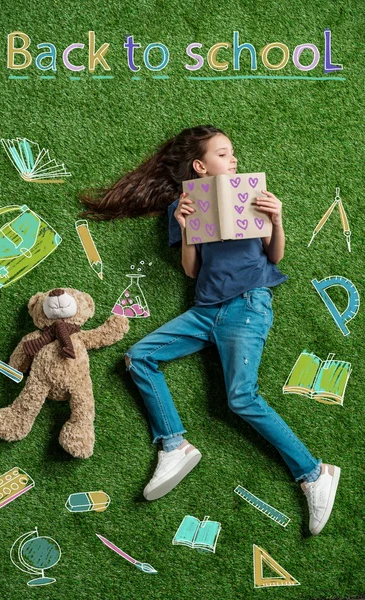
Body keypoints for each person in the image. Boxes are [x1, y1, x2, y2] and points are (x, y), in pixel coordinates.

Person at [80, 124, 340, 535]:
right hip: (204, 311)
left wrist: (278, 219)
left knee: (241, 398)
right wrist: (184, 228)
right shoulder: (182, 207)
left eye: (233, 153)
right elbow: (191, 270)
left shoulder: (254, 196)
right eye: (223, 153)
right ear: (200, 166)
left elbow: (273, 257)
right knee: (139, 357)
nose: (233, 158)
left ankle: (313, 473)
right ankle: (173, 443)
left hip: (247, 305)